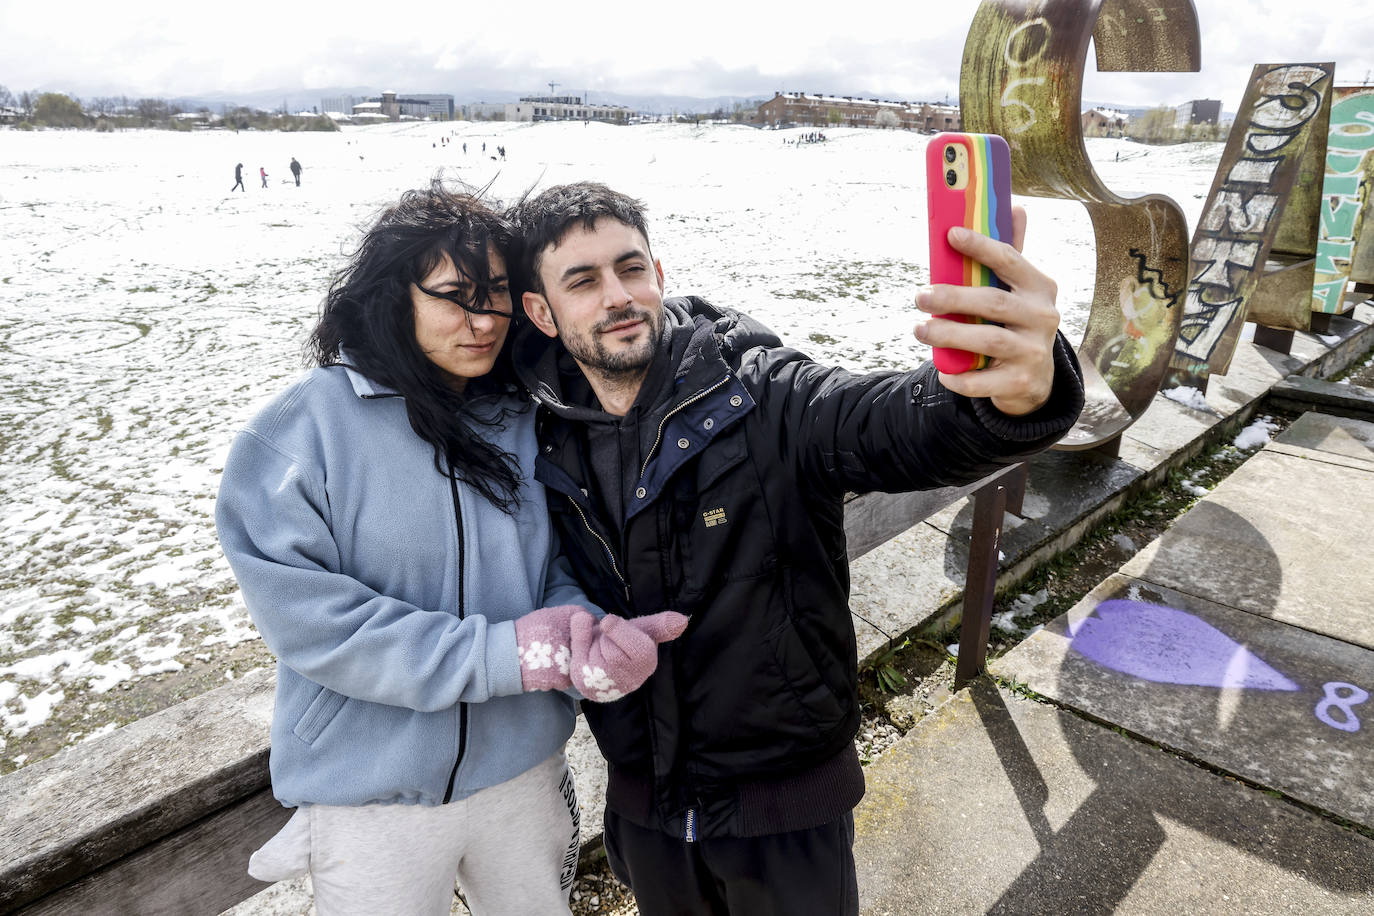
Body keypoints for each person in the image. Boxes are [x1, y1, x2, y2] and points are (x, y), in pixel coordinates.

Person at [508, 182, 1085, 915]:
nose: (618, 295)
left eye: (631, 268)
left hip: (786, 816)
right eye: (583, 281)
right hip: (646, 811)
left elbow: (892, 426)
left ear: (660, 273)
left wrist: (1005, 394)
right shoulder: (538, 439)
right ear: (540, 311)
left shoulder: (763, 396)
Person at [215, 183, 686, 915]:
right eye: (454, 297)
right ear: (390, 295)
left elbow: (555, 559)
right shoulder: (301, 433)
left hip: (522, 774)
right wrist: (510, 656)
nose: (483, 321)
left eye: (497, 294)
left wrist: (578, 633)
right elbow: (314, 622)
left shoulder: (519, 419)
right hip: (373, 796)